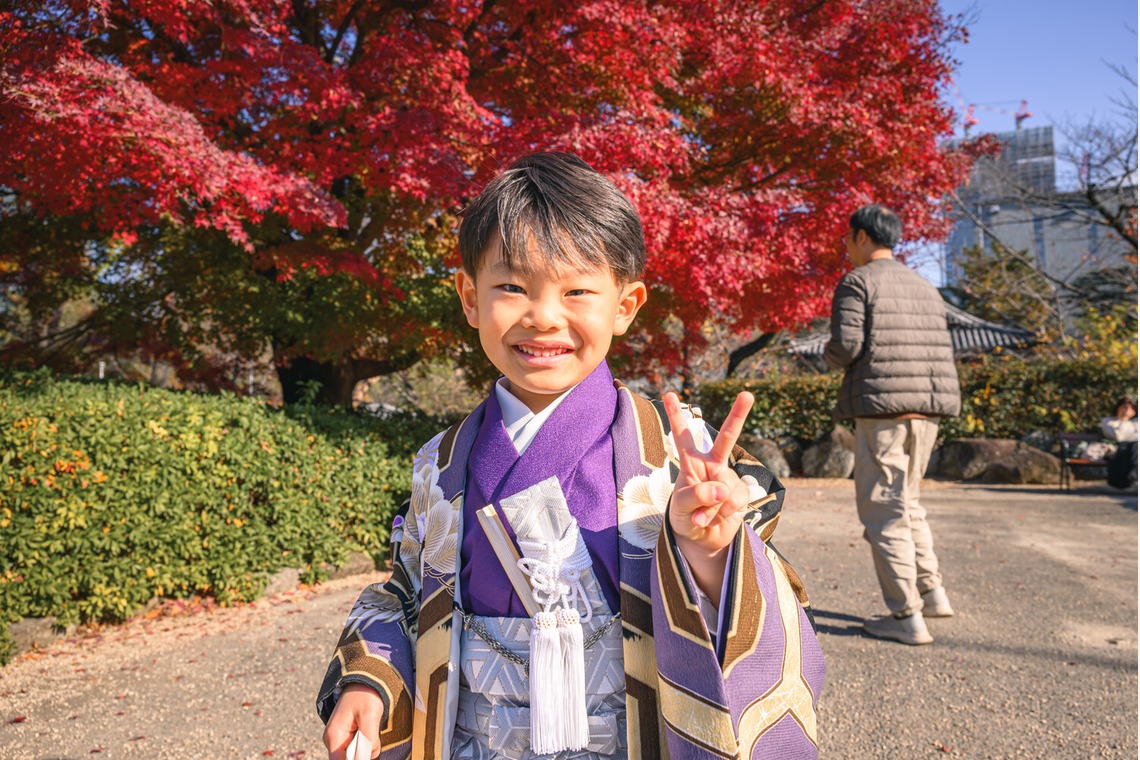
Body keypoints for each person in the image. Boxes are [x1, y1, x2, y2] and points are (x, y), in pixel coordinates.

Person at [315, 152, 825, 759]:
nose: (543, 317)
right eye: (510, 286)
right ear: (469, 298)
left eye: (578, 289)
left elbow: (756, 608)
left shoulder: (676, 457)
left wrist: (710, 552)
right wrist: (370, 681)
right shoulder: (440, 462)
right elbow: (403, 592)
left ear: (626, 305)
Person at [823, 204, 960, 647]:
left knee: (883, 509)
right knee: (909, 502)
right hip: (929, 409)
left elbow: (846, 346)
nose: (846, 246)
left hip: (883, 410)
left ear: (863, 236)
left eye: (848, 237)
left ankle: (905, 615)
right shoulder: (924, 285)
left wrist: (826, 358)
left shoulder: (858, 281)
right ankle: (932, 592)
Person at [1102, 396, 1137, 490]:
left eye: (1130, 408)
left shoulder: (1136, 422)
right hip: (1115, 449)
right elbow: (1118, 437)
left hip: (1132, 451)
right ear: (1118, 407)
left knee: (1136, 446)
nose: (1126, 410)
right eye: (1124, 407)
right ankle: (1133, 479)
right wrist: (1123, 419)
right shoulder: (1108, 421)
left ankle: (1133, 478)